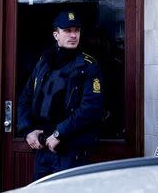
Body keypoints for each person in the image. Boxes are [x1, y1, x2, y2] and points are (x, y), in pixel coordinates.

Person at [17, 10, 104, 180]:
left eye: (76, 30)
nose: (73, 35)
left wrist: (59, 133)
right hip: (43, 148)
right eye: (67, 30)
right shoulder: (43, 62)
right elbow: (26, 98)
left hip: (71, 150)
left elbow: (91, 109)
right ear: (56, 34)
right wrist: (27, 130)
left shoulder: (88, 66)